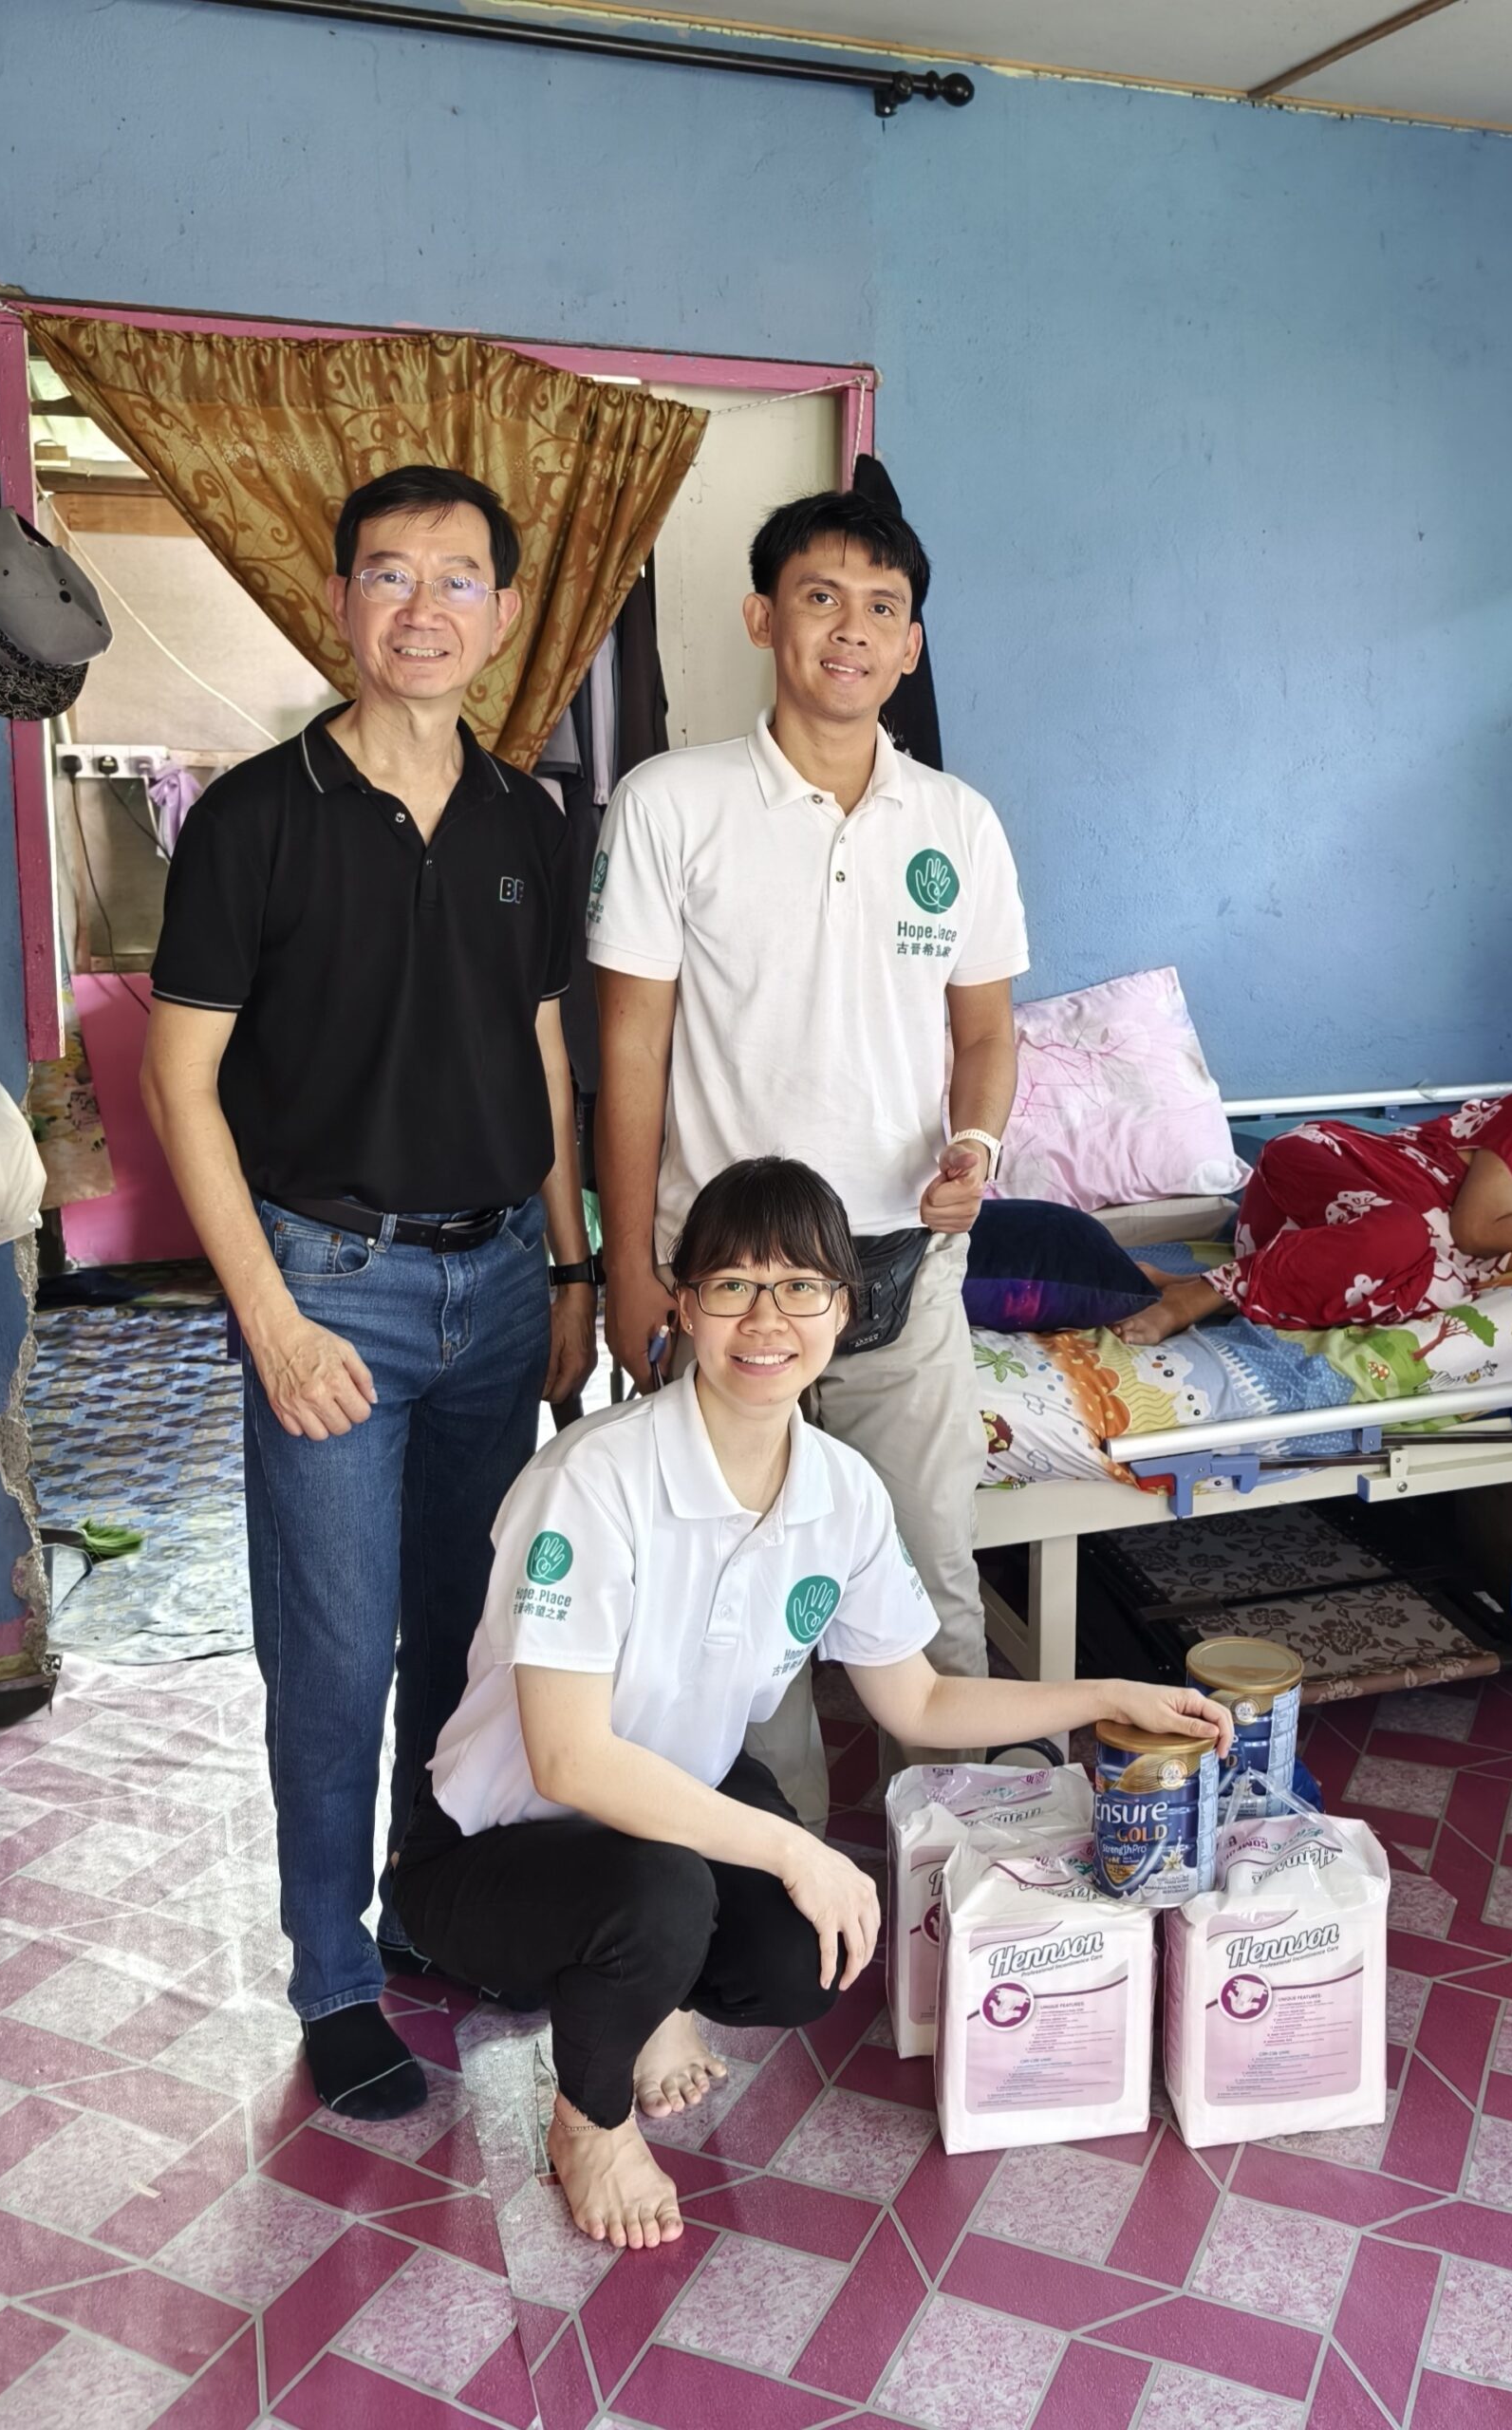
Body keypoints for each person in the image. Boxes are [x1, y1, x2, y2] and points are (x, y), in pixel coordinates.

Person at [390, 1157, 1229, 2247]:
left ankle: (652, 1999)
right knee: (666, 1899)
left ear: (846, 1307)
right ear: (683, 1305)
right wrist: (796, 1849)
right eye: (732, 1285)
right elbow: (570, 1762)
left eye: (800, 1286)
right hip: (491, 1843)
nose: (766, 1319)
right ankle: (589, 2121)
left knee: (795, 1958)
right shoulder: (593, 1480)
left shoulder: (840, 1490)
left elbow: (919, 1699)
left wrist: (1109, 1694)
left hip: (666, 1808)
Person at [143, 466, 598, 2118]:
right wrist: (270, 1320)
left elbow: (540, 1047)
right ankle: (333, 1978)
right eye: (390, 574)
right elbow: (182, 1085)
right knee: (334, 1657)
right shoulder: (255, 818)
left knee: (467, 1634)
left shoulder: (529, 820)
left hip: (500, 1280)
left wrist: (569, 1264)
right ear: (340, 600)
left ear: (503, 612)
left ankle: (428, 1906)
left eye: (459, 578)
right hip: (328, 1286)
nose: (424, 607)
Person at [589, 490, 1022, 1825]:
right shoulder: (672, 803)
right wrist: (625, 1266)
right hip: (730, 1287)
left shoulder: (958, 823)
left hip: (901, 1274)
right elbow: (629, 1051)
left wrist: (975, 1142)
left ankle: (954, 1889)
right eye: (821, 597)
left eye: (883, 608)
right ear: (762, 617)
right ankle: (776, 1889)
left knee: (932, 1593)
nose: (851, 629)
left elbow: (986, 1034)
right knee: (737, 1619)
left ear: (910, 645)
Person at [1116, 1086, 1512, 1343]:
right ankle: (1197, 1297)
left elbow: (1509, 1262)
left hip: (1325, 1250)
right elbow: (1478, 1233)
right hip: (1319, 1171)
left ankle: (1203, 1285)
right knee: (1405, 1238)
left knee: (1431, 1284)